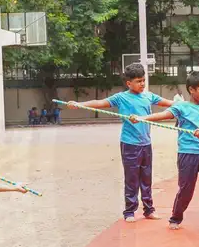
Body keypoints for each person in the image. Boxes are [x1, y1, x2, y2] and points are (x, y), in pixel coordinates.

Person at [129, 71, 199, 231]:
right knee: (186, 191)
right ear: (191, 90)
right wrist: (142, 118)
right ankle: (175, 218)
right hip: (187, 155)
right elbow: (163, 115)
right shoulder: (181, 107)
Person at [70, 63, 173, 222]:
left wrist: (183, 105)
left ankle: (149, 210)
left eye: (143, 80)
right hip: (130, 144)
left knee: (146, 178)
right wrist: (79, 104)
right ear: (128, 83)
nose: (142, 84)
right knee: (131, 178)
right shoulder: (121, 97)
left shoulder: (149, 96)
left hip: (146, 144)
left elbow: (169, 104)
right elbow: (99, 102)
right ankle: (130, 211)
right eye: (138, 81)